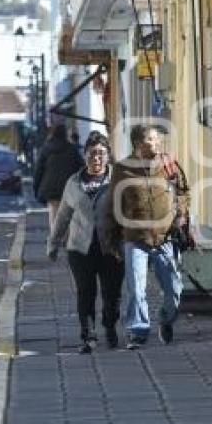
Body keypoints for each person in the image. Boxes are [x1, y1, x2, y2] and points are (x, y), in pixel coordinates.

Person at [100, 124, 190, 350]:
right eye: (152, 139)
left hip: (165, 238)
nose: (158, 141)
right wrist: (110, 241)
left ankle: (166, 319)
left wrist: (181, 213)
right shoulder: (122, 170)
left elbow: (183, 190)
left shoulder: (168, 164)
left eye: (158, 138)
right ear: (139, 144)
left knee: (174, 291)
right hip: (135, 239)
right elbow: (112, 206)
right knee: (136, 289)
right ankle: (138, 332)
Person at [47, 132, 124, 353]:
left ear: (108, 156)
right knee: (85, 292)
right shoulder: (73, 183)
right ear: (85, 156)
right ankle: (87, 336)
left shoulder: (118, 181)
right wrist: (53, 244)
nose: (96, 158)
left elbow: (131, 211)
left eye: (101, 154)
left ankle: (109, 327)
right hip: (80, 248)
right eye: (92, 154)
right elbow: (62, 216)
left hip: (111, 247)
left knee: (112, 293)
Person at [34, 124, 83, 229]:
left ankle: (55, 239)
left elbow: (38, 171)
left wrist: (36, 189)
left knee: (53, 214)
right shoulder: (72, 149)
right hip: (68, 188)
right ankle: (66, 238)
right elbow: (81, 169)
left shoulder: (46, 149)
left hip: (50, 189)